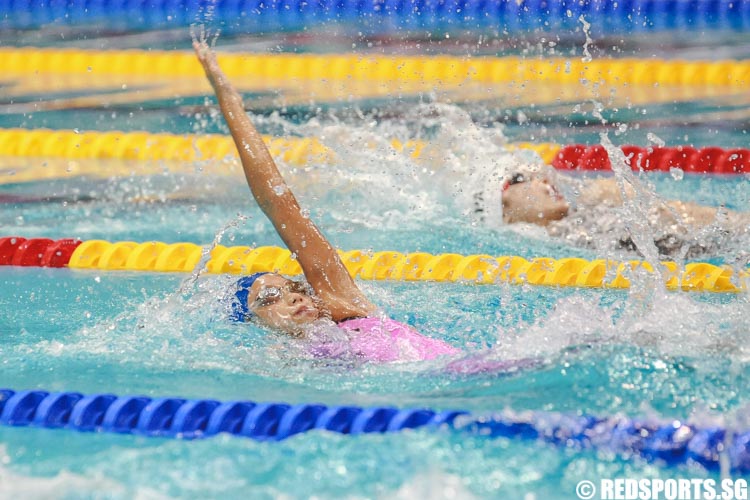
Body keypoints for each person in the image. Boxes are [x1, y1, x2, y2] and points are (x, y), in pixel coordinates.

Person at [193, 41, 462, 364]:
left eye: (294, 288)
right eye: (269, 299)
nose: (293, 298)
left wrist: (229, 99)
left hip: (464, 371)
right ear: (253, 323)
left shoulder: (341, 306)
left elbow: (278, 202)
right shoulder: (287, 359)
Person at [496, 166, 750, 260]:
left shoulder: (592, 207)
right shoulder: (536, 246)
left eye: (540, 175)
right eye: (521, 178)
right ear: (503, 208)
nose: (545, 181)